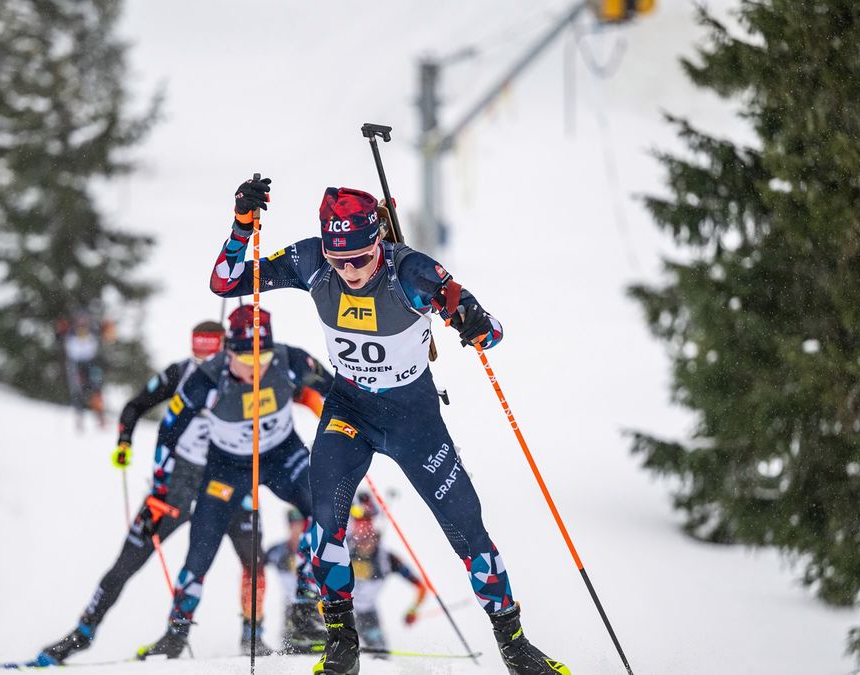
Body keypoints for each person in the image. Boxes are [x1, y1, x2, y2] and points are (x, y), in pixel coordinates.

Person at [210, 177, 569, 675]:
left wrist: (473, 322)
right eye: (340, 262)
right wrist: (241, 225)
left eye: (360, 257)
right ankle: (342, 645)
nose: (351, 271)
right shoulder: (312, 261)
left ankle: (514, 646)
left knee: (468, 529)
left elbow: (493, 333)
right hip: (350, 411)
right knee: (326, 525)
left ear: (379, 238)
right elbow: (227, 283)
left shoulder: (412, 271)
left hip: (414, 420)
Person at [35, 321, 283, 664]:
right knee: (129, 559)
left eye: (210, 358)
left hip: (229, 478)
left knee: (253, 557)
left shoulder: (248, 377)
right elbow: (135, 405)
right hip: (178, 480)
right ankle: (83, 633)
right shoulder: (180, 373)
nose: (203, 367)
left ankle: (246, 635)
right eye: (198, 356)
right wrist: (124, 441)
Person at [137, 306, 332, 660]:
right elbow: (168, 431)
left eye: (264, 357)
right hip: (227, 468)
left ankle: (305, 611)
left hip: (280, 454)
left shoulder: (290, 359)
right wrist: (159, 489)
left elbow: (335, 391)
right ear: (228, 352)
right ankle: (175, 635)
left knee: (325, 507)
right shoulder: (207, 379)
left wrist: (347, 431)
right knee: (200, 550)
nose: (256, 367)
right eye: (245, 359)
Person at [345, 493, 427, 656]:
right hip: (340, 612)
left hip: (367, 615)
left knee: (381, 656)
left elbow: (421, 587)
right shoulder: (341, 550)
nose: (362, 530)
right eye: (358, 524)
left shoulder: (387, 559)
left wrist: (413, 610)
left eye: (367, 524)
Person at [264, 507, 315, 647]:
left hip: (316, 603)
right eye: (294, 525)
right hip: (291, 605)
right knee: (291, 643)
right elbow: (256, 564)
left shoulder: (315, 550)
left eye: (301, 525)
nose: (297, 530)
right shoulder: (277, 551)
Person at [59, 314, 109, 431]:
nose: (82, 326)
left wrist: (106, 327)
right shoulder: (70, 333)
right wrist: (60, 329)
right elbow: (59, 337)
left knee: (96, 390)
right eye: (80, 323)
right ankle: (79, 419)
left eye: (84, 323)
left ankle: (100, 418)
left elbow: (105, 335)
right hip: (75, 365)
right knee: (78, 392)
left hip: (90, 364)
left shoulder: (93, 332)